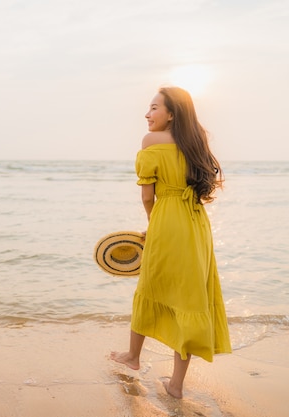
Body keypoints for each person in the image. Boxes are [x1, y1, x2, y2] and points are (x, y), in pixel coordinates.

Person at [110, 86, 232, 399]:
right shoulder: (197, 143)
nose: (147, 114)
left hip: (167, 221)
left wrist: (155, 225)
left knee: (149, 285)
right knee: (191, 297)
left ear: (171, 114)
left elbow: (147, 195)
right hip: (197, 225)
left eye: (153, 108)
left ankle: (133, 357)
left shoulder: (151, 141)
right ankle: (176, 385)